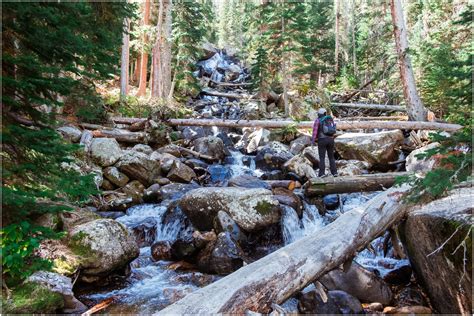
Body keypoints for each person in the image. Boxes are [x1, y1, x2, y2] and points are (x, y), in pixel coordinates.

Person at [311, 108, 338, 177]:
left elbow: (315, 132)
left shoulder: (317, 120)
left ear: (318, 114)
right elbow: (333, 129)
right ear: (325, 113)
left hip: (322, 140)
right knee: (331, 157)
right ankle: (335, 173)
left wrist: (313, 141)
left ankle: (322, 173)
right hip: (331, 140)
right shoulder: (330, 119)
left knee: (322, 158)